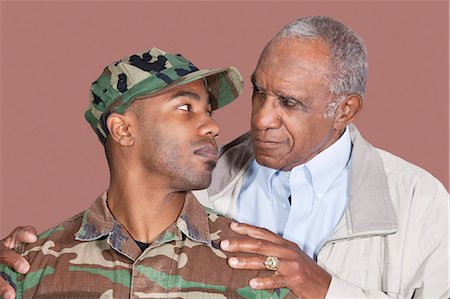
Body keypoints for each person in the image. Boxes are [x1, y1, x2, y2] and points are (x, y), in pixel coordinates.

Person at [1, 16, 448, 299]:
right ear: (122, 128)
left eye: (289, 103)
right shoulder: (198, 174)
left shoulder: (415, 201)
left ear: (344, 110)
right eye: (258, 92)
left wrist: (326, 289)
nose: (259, 120)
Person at [0, 47, 295, 298]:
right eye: (185, 107)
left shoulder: (258, 269)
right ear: (123, 129)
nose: (212, 126)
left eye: (209, 111)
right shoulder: (28, 269)